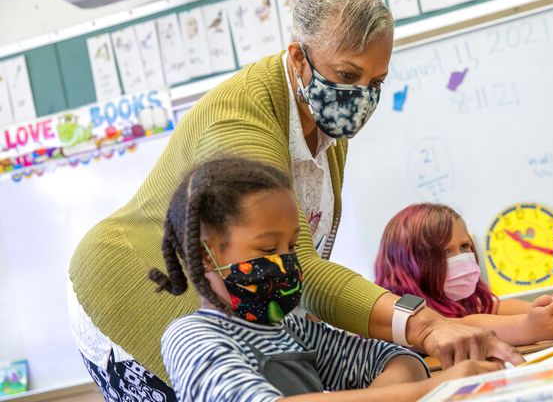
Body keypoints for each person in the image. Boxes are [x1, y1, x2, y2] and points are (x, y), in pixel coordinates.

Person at [68, 0, 520, 400]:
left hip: (249, 310)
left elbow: (302, 270)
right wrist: (424, 329)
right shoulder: (239, 121)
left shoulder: (324, 120)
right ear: (299, 58)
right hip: (137, 290)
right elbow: (302, 267)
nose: (360, 96)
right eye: (346, 75)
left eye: (375, 83)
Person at [153, 157, 500, 401]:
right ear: (204, 255)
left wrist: (388, 394)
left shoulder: (291, 328)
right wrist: (428, 391)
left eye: (291, 247)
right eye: (268, 248)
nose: (286, 261)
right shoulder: (191, 338)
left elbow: (398, 359)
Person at [375, 203, 553, 345]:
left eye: (465, 246)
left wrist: (548, 311)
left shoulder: (459, 300)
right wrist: (530, 327)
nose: (462, 257)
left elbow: (492, 308)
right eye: (446, 252)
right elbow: (462, 327)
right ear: (409, 263)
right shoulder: (402, 313)